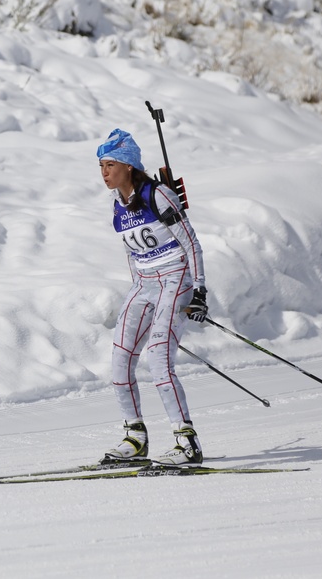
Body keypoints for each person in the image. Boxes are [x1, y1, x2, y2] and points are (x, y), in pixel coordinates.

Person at [97, 127, 208, 465]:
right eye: (101, 166)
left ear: (129, 165)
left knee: (158, 359)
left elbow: (191, 243)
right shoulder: (118, 202)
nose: (104, 173)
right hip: (144, 285)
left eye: (110, 165)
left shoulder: (157, 195)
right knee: (120, 358)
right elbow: (132, 252)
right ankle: (135, 437)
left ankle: (187, 442)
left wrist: (200, 290)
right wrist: (138, 291)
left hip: (175, 279)